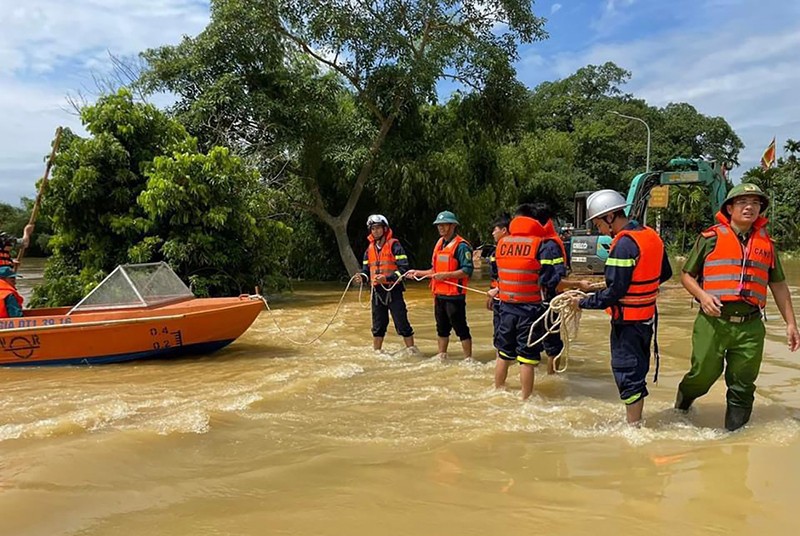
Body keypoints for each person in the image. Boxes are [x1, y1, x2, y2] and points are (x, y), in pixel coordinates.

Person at [674, 183, 799, 431]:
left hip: (751, 326)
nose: (749, 207)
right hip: (713, 322)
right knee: (702, 376)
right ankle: (682, 406)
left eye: (755, 203)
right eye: (742, 202)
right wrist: (703, 296)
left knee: (743, 385)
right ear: (729, 208)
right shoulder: (709, 239)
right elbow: (686, 275)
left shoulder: (767, 245)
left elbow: (779, 285)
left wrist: (791, 324)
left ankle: (734, 442)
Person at [573, 189, 672, 425]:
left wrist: (582, 302)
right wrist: (639, 288)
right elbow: (665, 273)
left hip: (627, 323)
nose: (598, 229)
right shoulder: (650, 235)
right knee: (637, 371)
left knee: (627, 373)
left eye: (598, 224)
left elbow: (615, 292)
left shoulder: (623, 245)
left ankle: (633, 427)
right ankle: (635, 420)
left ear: (609, 218)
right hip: (646, 318)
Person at [489, 203, 565, 399]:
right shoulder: (542, 245)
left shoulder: (502, 245)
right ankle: (525, 398)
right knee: (527, 358)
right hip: (530, 310)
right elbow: (552, 279)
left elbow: (499, 275)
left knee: (503, 354)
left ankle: (497, 390)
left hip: (505, 308)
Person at [406, 210, 474, 360]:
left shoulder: (461, 246)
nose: (441, 228)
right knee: (441, 329)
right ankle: (441, 355)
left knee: (461, 328)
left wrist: (446, 276)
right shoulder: (439, 245)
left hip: (455, 296)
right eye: (439, 225)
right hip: (439, 295)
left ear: (453, 226)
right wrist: (417, 272)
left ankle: (468, 358)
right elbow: (434, 270)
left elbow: (467, 270)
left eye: (444, 225)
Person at [357, 214, 419, 355]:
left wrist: (386, 278)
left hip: (393, 290)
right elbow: (366, 270)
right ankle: (377, 353)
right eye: (373, 229)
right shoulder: (369, 249)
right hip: (377, 293)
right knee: (378, 325)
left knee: (402, 323)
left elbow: (403, 269)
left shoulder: (394, 245)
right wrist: (362, 277)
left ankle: (412, 351)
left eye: (378, 228)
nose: (376, 231)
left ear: (385, 229)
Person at [539, 209, 569, 374]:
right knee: (552, 343)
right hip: (545, 302)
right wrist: (579, 285)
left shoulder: (542, 244)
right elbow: (556, 281)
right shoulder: (549, 244)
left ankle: (548, 378)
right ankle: (552, 377)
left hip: (533, 301)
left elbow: (552, 280)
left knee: (531, 345)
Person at [485, 213, 510, 386]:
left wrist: (497, 290)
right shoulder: (496, 250)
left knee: (506, 338)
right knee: (498, 334)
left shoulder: (510, 249)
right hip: (497, 297)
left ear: (504, 230)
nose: (492, 233)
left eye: (495, 229)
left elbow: (513, 276)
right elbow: (497, 275)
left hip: (508, 299)